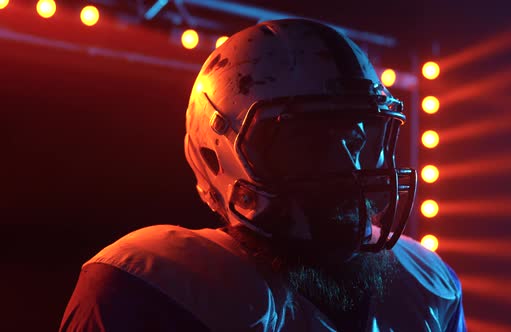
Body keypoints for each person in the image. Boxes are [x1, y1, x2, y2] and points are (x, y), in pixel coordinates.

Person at [60, 18, 466, 332]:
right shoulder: (153, 287)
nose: (347, 169)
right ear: (215, 156)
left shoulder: (426, 285)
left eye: (356, 142)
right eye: (309, 145)